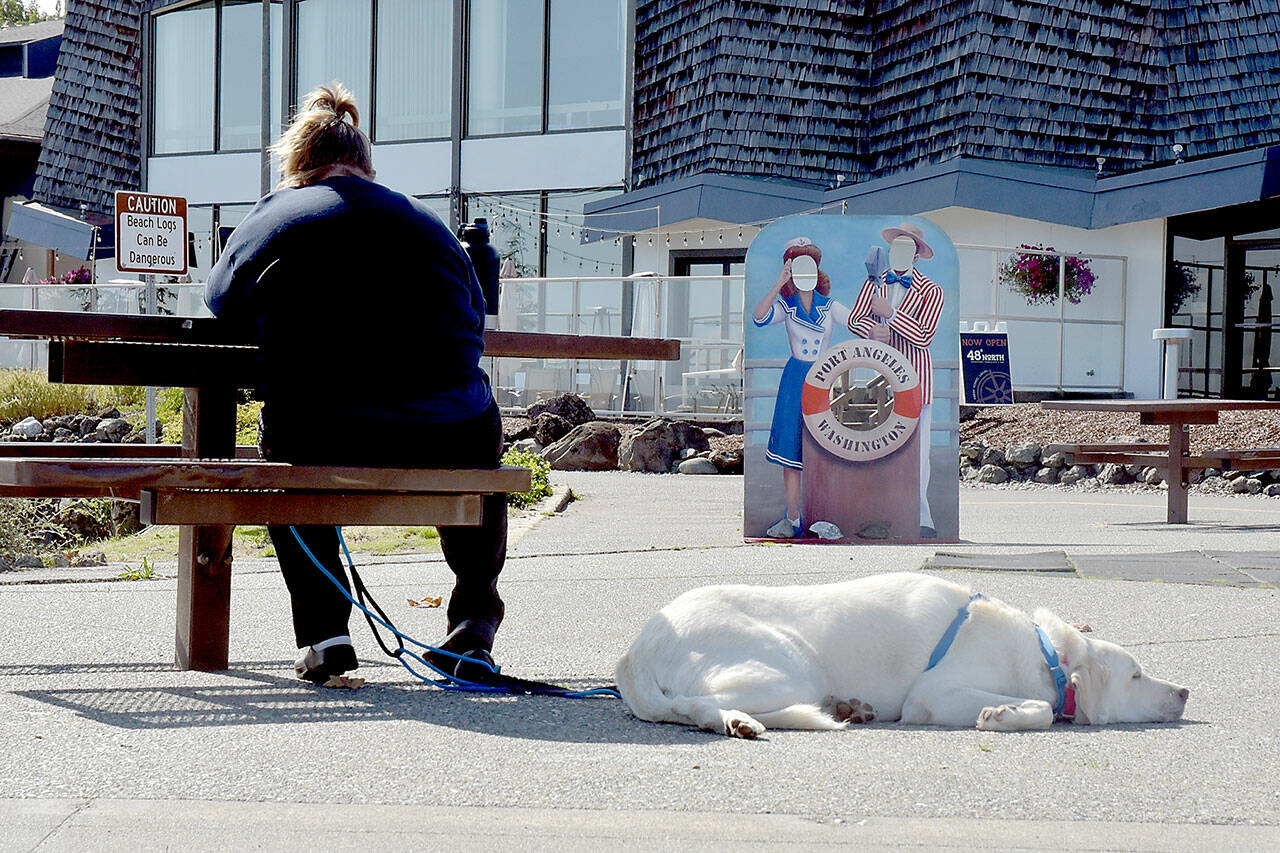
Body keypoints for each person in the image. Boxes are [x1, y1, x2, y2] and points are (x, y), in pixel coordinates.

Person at [205, 83, 506, 684]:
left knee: (286, 451)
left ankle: (326, 636)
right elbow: (475, 317)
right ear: (367, 167)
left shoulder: (273, 215)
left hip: (327, 432)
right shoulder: (429, 223)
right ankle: (473, 622)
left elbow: (222, 306)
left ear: (298, 167)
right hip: (449, 435)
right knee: (480, 432)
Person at [847, 222, 945, 537]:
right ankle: (880, 516)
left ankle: (921, 519)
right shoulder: (874, 284)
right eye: (895, 247)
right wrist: (872, 331)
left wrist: (890, 315)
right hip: (881, 382)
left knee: (918, 453)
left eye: (906, 248)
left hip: (917, 383)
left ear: (917, 256)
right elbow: (854, 319)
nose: (899, 253)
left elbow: (925, 335)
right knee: (879, 449)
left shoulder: (932, 291)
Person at [751, 237, 851, 538]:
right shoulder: (787, 306)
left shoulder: (829, 306)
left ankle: (822, 517)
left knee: (824, 450)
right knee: (792, 449)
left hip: (824, 378)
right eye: (795, 266)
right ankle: (792, 517)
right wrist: (778, 282)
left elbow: (858, 322)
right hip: (796, 378)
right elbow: (758, 317)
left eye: (808, 264)